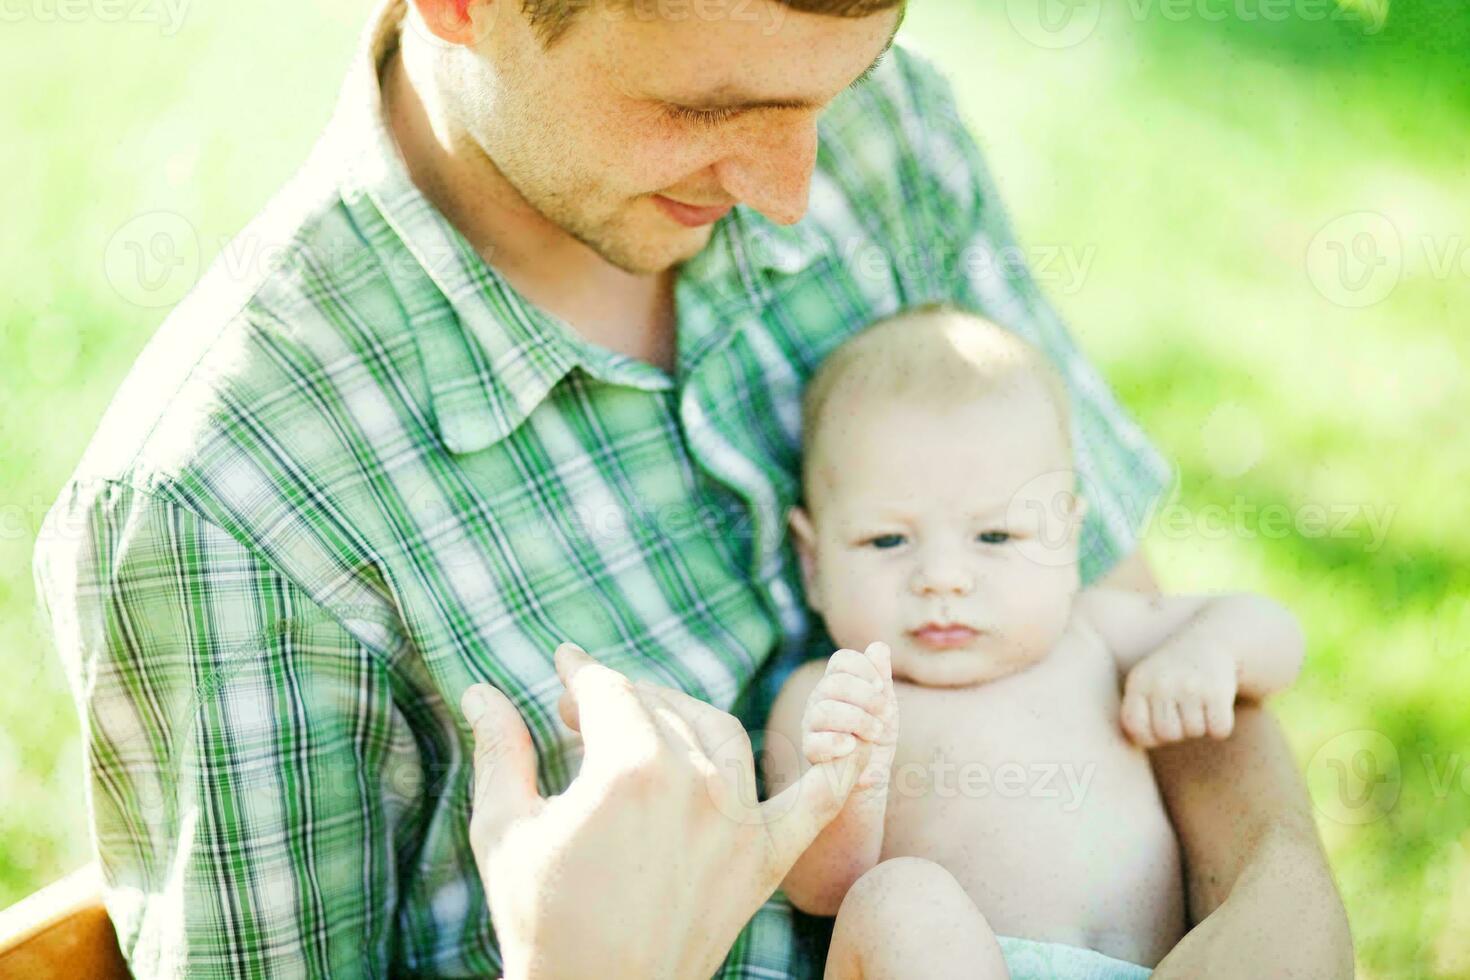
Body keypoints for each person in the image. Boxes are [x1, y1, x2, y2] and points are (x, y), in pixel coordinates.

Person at [30, 0, 1350, 973]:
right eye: (706, 116)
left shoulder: (883, 138)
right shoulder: (221, 510)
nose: (790, 192)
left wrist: (1286, 901)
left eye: (832, 90)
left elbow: (1126, 626)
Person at [761, 306, 1306, 979]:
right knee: (899, 899)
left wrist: (1212, 653)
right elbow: (816, 891)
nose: (942, 579)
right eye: (887, 540)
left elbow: (1276, 633)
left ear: (1069, 539)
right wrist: (849, 791)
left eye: (995, 537)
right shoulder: (830, 698)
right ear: (813, 564)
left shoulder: (1098, 631)